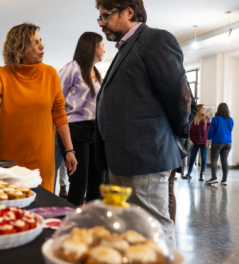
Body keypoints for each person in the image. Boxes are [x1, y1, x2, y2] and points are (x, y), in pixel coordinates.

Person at [94, 0, 193, 244]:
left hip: (146, 154)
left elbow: (179, 94)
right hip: (122, 157)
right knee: (129, 229)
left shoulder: (154, 40)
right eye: (99, 18)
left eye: (106, 16)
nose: (101, 24)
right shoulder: (124, 50)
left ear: (129, 11)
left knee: (151, 229)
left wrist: (177, 133)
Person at [0, 23, 78, 192]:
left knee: (40, 209)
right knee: (7, 210)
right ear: (20, 48)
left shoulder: (50, 74)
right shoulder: (4, 73)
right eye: (35, 42)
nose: (42, 45)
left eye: (40, 40)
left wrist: (69, 149)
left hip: (41, 160)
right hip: (8, 161)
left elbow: (60, 114)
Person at [57, 32, 106, 206]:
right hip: (75, 130)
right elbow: (55, 100)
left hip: (95, 131)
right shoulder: (71, 68)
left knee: (97, 185)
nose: (104, 50)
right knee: (78, 184)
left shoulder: (97, 73)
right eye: (102, 46)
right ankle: (71, 229)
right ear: (93, 47)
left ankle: (91, 228)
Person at [206, 103, 234, 185]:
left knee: (214, 160)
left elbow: (211, 131)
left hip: (217, 142)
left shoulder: (215, 119)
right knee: (224, 160)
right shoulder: (231, 119)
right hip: (228, 143)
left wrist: (208, 140)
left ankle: (214, 178)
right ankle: (224, 180)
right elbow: (230, 129)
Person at [183, 104, 211, 181]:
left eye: (204, 108)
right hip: (194, 141)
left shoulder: (206, 118)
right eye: (202, 108)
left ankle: (202, 174)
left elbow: (210, 130)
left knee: (204, 157)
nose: (204, 110)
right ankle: (189, 173)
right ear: (198, 109)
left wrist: (209, 141)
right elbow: (188, 129)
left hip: (204, 141)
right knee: (192, 157)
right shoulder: (192, 118)